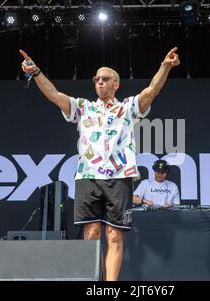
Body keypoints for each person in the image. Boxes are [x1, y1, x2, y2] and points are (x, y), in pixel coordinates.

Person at [19, 48, 180, 281]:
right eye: (97, 79)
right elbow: (54, 95)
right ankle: (92, 282)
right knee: (92, 232)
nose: (100, 82)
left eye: (105, 79)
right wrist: (36, 73)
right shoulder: (84, 107)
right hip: (88, 176)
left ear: (116, 84)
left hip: (120, 176)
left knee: (114, 236)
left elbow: (152, 90)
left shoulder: (127, 107)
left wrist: (165, 66)